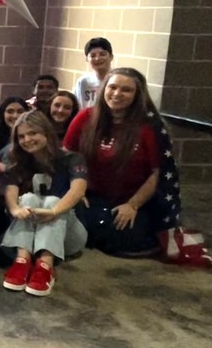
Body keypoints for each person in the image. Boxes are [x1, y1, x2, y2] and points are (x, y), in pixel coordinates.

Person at [63, 67, 179, 256]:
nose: (117, 94)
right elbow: (66, 156)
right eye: (113, 87)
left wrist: (132, 205)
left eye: (126, 90)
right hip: (89, 196)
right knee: (81, 224)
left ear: (138, 95)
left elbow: (157, 174)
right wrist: (74, 188)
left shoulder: (150, 127)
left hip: (131, 200)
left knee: (127, 236)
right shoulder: (85, 117)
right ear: (104, 89)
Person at [0, 111, 88, 296]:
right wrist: (16, 209)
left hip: (67, 237)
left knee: (53, 201)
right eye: (22, 136)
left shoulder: (72, 158)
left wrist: (54, 211)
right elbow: (11, 189)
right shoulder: (17, 160)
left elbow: (77, 190)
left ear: (46, 133)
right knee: (29, 199)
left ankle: (45, 265)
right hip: (28, 237)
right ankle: (22, 261)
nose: (27, 139)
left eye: (33, 133)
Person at [73, 37, 113, 109]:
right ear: (87, 59)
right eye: (93, 55)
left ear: (111, 56)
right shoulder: (83, 81)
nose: (97, 58)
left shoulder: (117, 80)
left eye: (102, 54)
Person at [0, 96, 30, 163]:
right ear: (2, 114)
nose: (15, 116)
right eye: (10, 111)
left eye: (20, 111)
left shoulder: (31, 136)